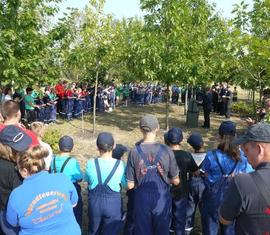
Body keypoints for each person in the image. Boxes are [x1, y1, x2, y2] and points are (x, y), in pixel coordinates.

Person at [6, 145, 81, 235]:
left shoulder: (16, 195)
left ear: (25, 171)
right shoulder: (62, 177)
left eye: (17, 168)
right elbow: (73, 203)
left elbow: (13, 223)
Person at [126, 114, 180, 235]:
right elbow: (176, 181)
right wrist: (167, 179)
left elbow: (130, 185)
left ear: (140, 129)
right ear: (157, 128)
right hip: (161, 198)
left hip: (141, 198)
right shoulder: (167, 150)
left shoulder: (134, 152)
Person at [201, 121, 253, 235]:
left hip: (212, 198)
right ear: (235, 136)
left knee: (210, 227)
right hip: (233, 198)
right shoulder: (243, 157)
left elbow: (205, 174)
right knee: (230, 229)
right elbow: (249, 175)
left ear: (219, 136)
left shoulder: (211, 155)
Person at [219, 122, 270, 234]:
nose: (244, 155)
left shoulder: (242, 182)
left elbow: (224, 219)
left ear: (259, 150)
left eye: (246, 150)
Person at [85, 132, 126, 235]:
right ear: (114, 146)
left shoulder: (91, 163)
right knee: (112, 231)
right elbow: (125, 184)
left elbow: (88, 181)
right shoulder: (120, 164)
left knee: (93, 230)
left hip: (95, 203)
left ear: (97, 146)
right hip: (113, 204)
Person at [164, 128, 199, 235]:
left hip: (165, 190)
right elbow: (196, 171)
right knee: (180, 218)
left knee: (166, 216)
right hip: (181, 190)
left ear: (167, 140)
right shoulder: (186, 155)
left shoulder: (162, 154)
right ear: (181, 140)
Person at [0, 125, 33, 235]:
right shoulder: (14, 170)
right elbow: (22, 199)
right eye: (19, 149)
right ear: (6, 148)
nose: (24, 150)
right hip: (11, 214)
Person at [50, 135, 83, 227]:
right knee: (76, 210)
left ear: (59, 147)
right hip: (70, 190)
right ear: (72, 148)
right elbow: (79, 177)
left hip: (56, 190)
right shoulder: (72, 161)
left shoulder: (53, 160)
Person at [185, 133, 206, 234]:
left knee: (189, 209)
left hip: (191, 186)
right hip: (204, 186)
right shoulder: (208, 156)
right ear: (202, 143)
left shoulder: (189, 156)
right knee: (205, 210)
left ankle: (187, 230)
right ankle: (207, 229)